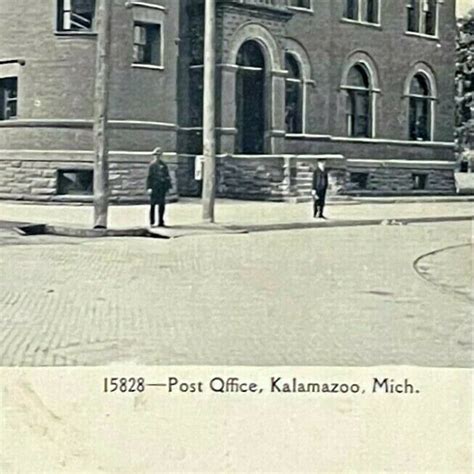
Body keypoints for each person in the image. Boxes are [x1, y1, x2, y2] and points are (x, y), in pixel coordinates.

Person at [146, 147, 172, 227]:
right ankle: (152, 221)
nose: (157, 156)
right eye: (156, 155)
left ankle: (161, 221)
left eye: (159, 155)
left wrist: (168, 187)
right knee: (153, 205)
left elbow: (167, 176)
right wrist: (149, 187)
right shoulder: (152, 165)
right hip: (154, 187)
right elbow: (149, 177)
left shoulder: (164, 165)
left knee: (162, 205)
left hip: (162, 188)